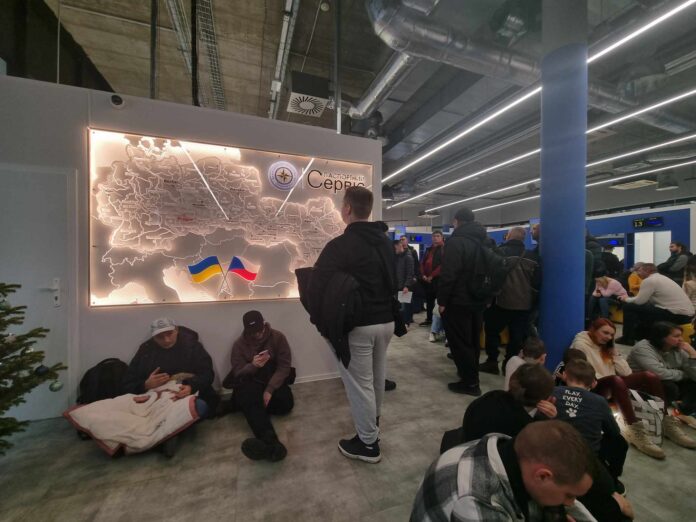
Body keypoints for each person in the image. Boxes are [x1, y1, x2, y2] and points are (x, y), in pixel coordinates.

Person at [311, 186, 395, 463]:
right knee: (376, 379)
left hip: (357, 326)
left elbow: (317, 287)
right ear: (368, 209)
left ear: (347, 209)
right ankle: (372, 426)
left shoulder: (339, 246)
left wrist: (321, 322)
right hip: (386, 322)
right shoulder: (385, 243)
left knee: (360, 386)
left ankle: (368, 444)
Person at [412, 421, 596, 522]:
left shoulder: (513, 451)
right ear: (542, 476)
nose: (570, 502)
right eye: (569, 495)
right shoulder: (479, 500)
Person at [570, 318, 693, 457]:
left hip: (614, 384)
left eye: (611, 334)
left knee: (649, 376)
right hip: (594, 386)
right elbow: (585, 373)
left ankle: (664, 420)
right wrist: (613, 380)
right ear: (593, 330)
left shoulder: (606, 346)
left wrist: (616, 355)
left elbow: (627, 372)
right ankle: (634, 429)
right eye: (605, 333)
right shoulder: (581, 344)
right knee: (615, 380)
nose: (609, 337)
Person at [122, 318, 217, 456]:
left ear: (176, 330)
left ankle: (162, 437)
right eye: (160, 337)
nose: (166, 340)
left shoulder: (192, 346)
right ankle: (166, 435)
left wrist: (192, 386)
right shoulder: (146, 350)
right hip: (155, 398)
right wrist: (145, 384)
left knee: (200, 407)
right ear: (153, 337)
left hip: (185, 394)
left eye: (169, 334)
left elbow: (207, 374)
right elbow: (128, 382)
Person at [553, 360, 634, 520]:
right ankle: (613, 480)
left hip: (551, 453)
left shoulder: (552, 392)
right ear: (594, 383)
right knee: (619, 442)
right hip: (586, 461)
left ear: (565, 375)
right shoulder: (599, 401)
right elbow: (614, 431)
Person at [223, 311, 294, 462]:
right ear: (246, 330)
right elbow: (238, 373)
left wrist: (269, 390)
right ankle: (272, 445)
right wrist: (253, 365)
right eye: (253, 332)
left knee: (285, 404)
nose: (258, 334)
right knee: (251, 399)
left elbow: (284, 367)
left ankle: (251, 408)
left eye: (260, 330)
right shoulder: (239, 345)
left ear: (264, 324)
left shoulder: (278, 337)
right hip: (250, 383)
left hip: (271, 380)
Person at [440, 363, 558, 454]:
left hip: (464, 445)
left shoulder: (492, 395)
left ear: (513, 380)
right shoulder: (526, 427)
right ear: (543, 400)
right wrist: (544, 419)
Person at [437, 207, 488, 396]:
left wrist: (442, 300)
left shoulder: (456, 242)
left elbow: (449, 274)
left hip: (458, 300)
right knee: (473, 341)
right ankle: (471, 375)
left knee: (460, 342)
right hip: (478, 299)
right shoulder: (483, 241)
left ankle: (470, 383)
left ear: (457, 221)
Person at [480, 226, 541, 375]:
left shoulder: (499, 253)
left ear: (508, 236)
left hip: (501, 301)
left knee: (492, 330)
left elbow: (491, 277)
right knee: (516, 336)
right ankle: (509, 364)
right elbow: (537, 283)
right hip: (524, 304)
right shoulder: (533, 257)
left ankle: (492, 361)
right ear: (523, 238)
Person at [628, 322, 696, 421]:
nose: (681, 339)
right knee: (669, 386)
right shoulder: (642, 348)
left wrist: (693, 354)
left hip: (668, 379)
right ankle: (656, 415)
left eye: (681, 335)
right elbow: (659, 373)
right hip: (640, 385)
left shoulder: (678, 348)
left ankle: (684, 412)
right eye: (676, 336)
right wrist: (684, 374)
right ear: (662, 337)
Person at [616, 263, 695, 345]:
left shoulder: (649, 280)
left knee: (629, 307)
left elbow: (639, 301)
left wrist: (625, 299)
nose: (637, 273)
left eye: (639, 271)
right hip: (686, 315)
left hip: (675, 314)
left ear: (647, 271)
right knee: (645, 309)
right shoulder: (663, 278)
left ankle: (627, 338)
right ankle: (641, 335)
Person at [419, 230, 444, 326]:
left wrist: (432, 276)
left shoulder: (444, 249)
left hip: (438, 280)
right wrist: (423, 275)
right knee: (429, 301)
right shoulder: (428, 249)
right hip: (427, 280)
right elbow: (422, 263)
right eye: (434, 236)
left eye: (437, 236)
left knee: (440, 302)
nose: (435, 238)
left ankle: (439, 324)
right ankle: (429, 319)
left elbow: (442, 265)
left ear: (442, 237)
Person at [394, 239, 415, 326]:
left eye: (395, 248)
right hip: (397, 285)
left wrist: (406, 286)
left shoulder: (408, 257)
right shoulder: (397, 257)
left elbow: (410, 273)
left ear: (400, 246)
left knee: (404, 307)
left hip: (404, 286)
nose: (394, 250)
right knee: (399, 307)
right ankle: (401, 323)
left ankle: (406, 323)